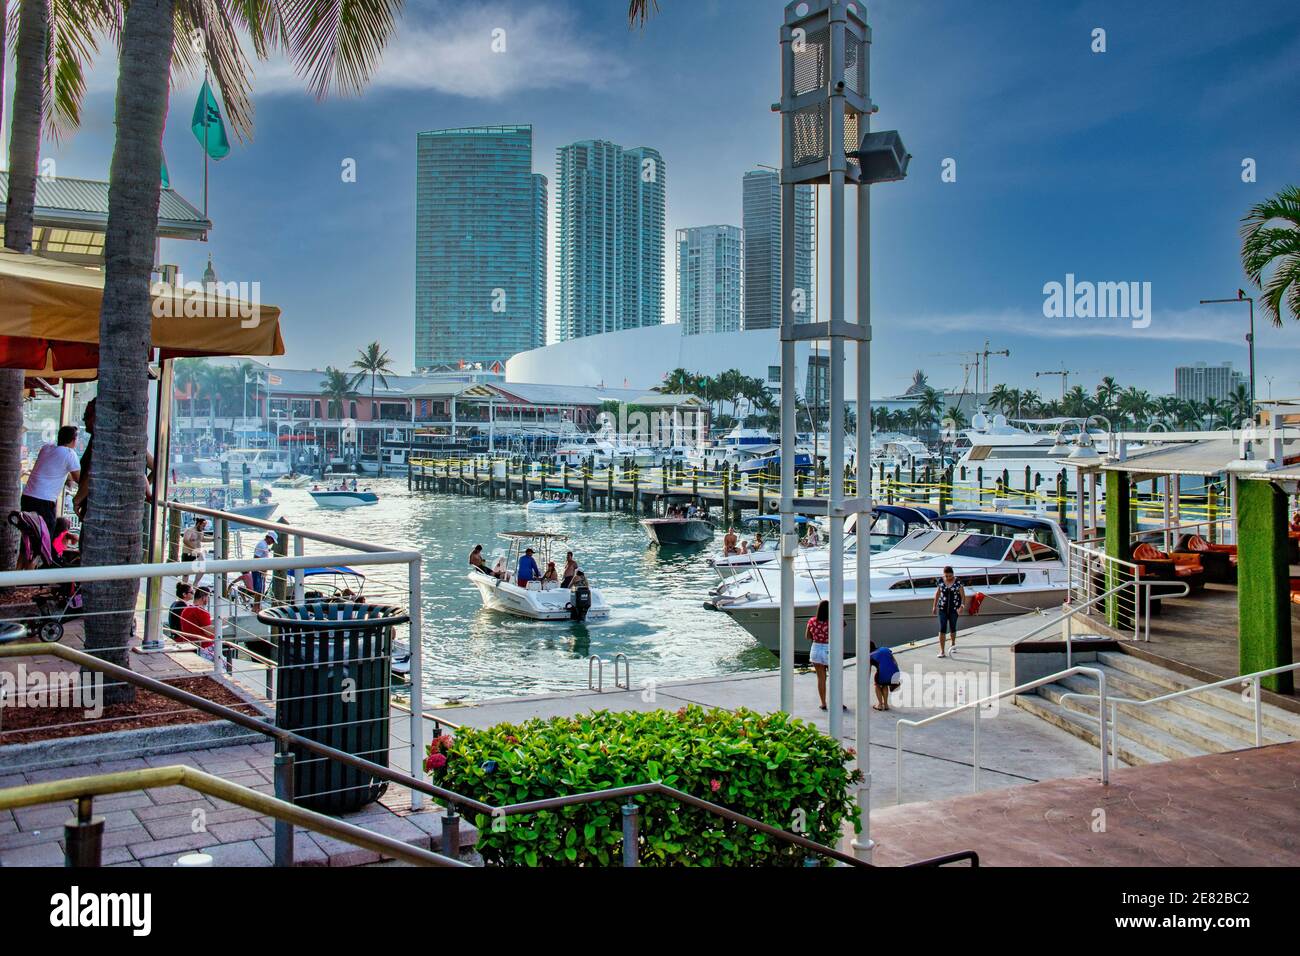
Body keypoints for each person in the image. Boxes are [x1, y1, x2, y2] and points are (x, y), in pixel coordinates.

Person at [21, 424, 81, 535]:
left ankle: (25, 553)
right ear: (73, 440)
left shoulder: (46, 448)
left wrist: (67, 477)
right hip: (43, 501)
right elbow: (79, 479)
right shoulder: (70, 454)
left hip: (27, 497)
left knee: (27, 535)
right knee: (46, 536)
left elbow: (53, 467)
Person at [931, 565, 965, 658]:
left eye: (950, 576)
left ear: (953, 574)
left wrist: (962, 606)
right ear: (944, 575)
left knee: (952, 627)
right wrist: (934, 606)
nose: (948, 578)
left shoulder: (958, 582)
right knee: (942, 628)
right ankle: (942, 651)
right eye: (946, 576)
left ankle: (953, 644)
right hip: (942, 608)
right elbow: (937, 593)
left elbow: (963, 595)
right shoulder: (940, 581)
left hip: (954, 609)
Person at [807, 600, 831, 710]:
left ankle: (823, 703)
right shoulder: (833, 620)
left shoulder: (812, 621)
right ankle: (838, 701)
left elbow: (807, 636)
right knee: (835, 677)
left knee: (821, 679)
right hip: (829, 648)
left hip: (816, 648)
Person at [179, 586, 215, 654]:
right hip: (204, 648)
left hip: (190, 644)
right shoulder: (202, 612)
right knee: (223, 663)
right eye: (208, 597)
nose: (208, 600)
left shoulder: (186, 609)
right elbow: (208, 632)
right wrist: (220, 624)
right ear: (204, 598)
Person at [869, 641, 902, 711]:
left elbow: (868, 670)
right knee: (885, 685)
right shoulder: (884, 649)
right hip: (895, 672)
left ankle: (880, 705)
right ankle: (886, 705)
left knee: (877, 685)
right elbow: (895, 661)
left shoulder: (870, 656)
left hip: (883, 673)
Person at [251, 530, 278, 611]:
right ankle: (256, 607)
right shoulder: (262, 545)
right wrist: (262, 568)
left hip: (261, 570)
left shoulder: (264, 545)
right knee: (259, 590)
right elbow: (256, 557)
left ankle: (257, 606)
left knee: (261, 589)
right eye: (272, 541)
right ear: (269, 538)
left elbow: (262, 554)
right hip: (258, 570)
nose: (272, 543)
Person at [180, 518, 207, 584]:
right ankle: (184, 586)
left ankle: (195, 583)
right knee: (186, 573)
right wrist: (194, 548)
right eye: (203, 526)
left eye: (204, 526)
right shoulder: (189, 530)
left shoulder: (201, 532)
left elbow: (202, 539)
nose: (203, 528)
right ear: (198, 524)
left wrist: (214, 539)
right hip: (188, 553)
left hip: (197, 553)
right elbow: (185, 540)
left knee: (202, 568)